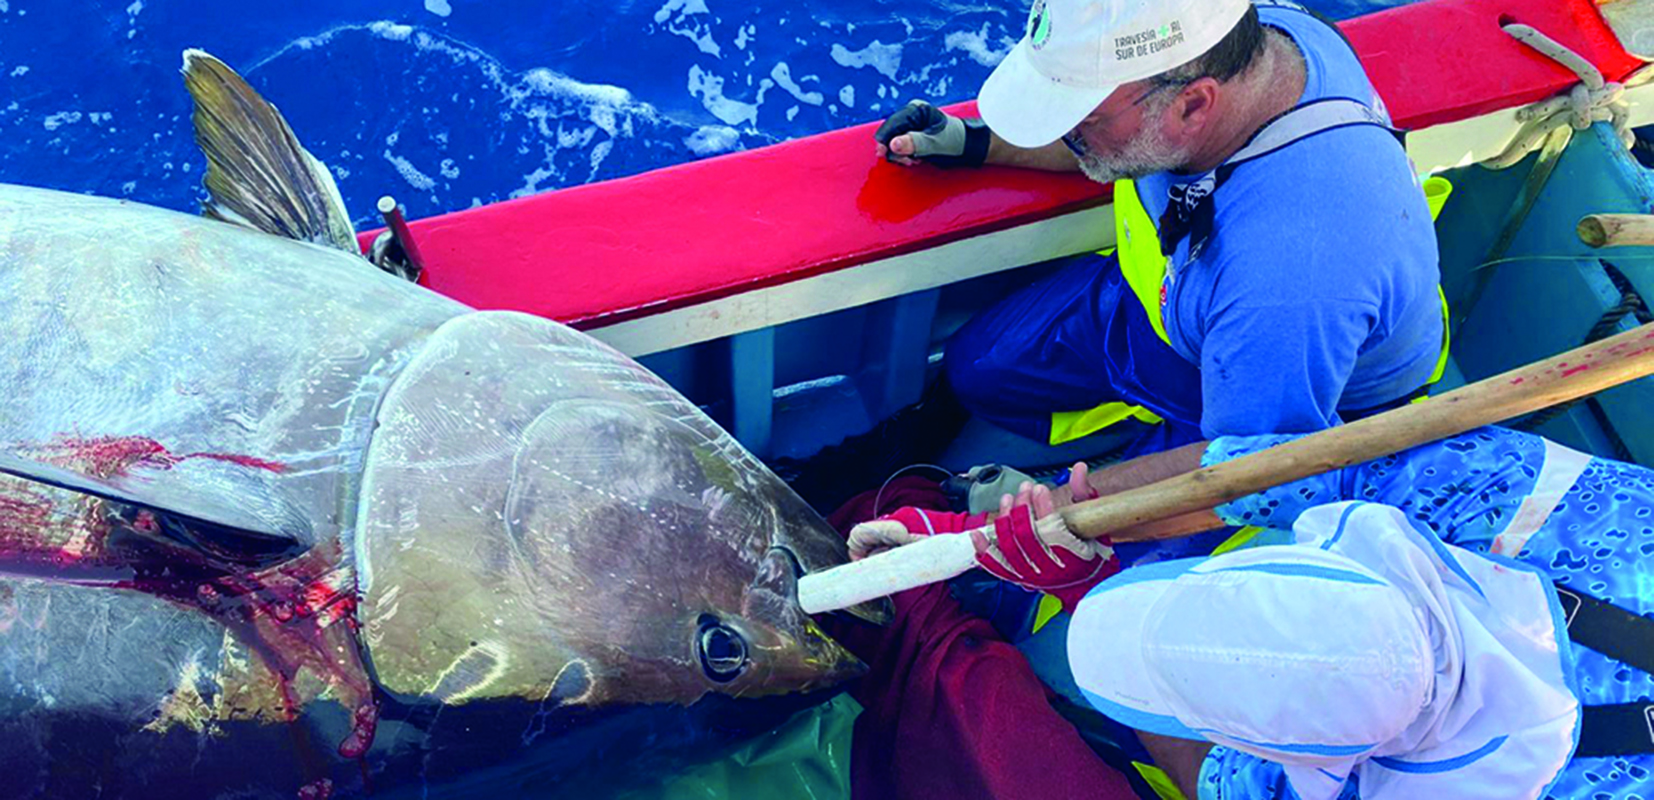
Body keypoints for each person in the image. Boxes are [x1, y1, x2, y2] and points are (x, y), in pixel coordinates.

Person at [853, 425, 1654, 798]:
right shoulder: (1531, 501)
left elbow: (1217, 781)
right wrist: (987, 535)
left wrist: (1077, 590)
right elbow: (1253, 474)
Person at [870, 0, 1445, 451]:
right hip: (1164, 311)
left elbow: (1250, 470)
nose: (1069, 133)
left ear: (1195, 106)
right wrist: (976, 143)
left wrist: (1063, 514)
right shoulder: (1249, 44)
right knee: (975, 371)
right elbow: (1129, 138)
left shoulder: (1287, 278)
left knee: (1063, 588)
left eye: (1082, 119)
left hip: (1275, 400)